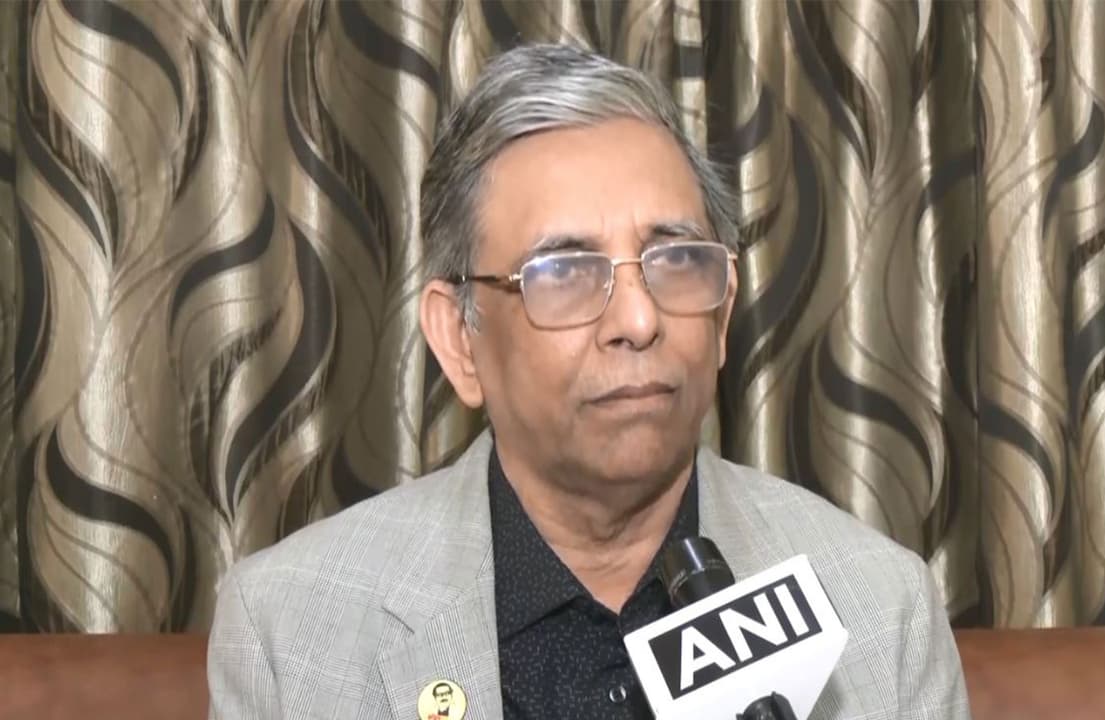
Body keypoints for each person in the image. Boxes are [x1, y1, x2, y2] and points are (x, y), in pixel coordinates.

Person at [206, 42, 971, 720]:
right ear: (460, 340)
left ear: (723, 313)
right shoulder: (290, 632)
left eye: (676, 259)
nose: (637, 319)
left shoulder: (880, 609)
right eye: (566, 272)